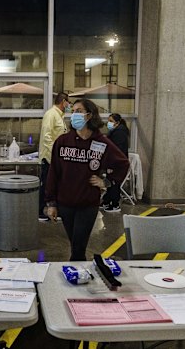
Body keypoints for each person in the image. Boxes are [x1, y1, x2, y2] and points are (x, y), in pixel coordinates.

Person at [45, 99, 129, 261]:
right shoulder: (62, 142)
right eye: (73, 111)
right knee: (75, 244)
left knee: (78, 248)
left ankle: (76, 276)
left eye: (79, 111)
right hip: (65, 202)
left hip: (87, 203)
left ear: (89, 115)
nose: (74, 114)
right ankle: (78, 274)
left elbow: (123, 163)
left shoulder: (101, 142)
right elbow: (53, 172)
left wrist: (106, 182)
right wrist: (51, 203)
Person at [38, 92, 69, 221]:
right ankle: (40, 211)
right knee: (46, 184)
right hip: (50, 158)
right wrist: (54, 156)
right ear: (63, 102)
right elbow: (47, 137)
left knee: (58, 186)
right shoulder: (51, 114)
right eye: (68, 102)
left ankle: (57, 210)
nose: (69, 105)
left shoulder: (59, 116)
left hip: (58, 158)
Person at [101, 113, 130, 213]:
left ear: (117, 123)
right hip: (113, 162)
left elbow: (117, 150)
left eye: (111, 121)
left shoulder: (119, 133)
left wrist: (112, 164)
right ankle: (107, 201)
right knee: (110, 182)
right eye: (108, 121)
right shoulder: (115, 131)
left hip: (117, 164)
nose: (108, 123)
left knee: (114, 183)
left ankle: (115, 204)